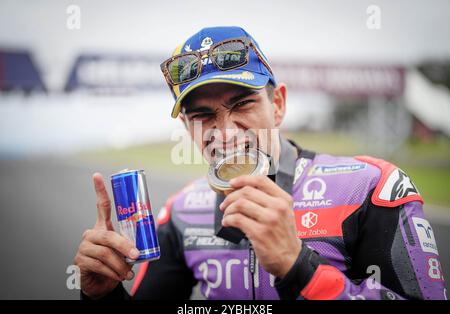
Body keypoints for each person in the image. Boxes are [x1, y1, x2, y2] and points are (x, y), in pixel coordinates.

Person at [75, 26, 447, 300]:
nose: (224, 132)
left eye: (242, 104)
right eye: (202, 116)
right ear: (187, 128)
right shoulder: (181, 213)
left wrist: (299, 268)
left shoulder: (370, 187)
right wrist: (102, 295)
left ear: (279, 104)